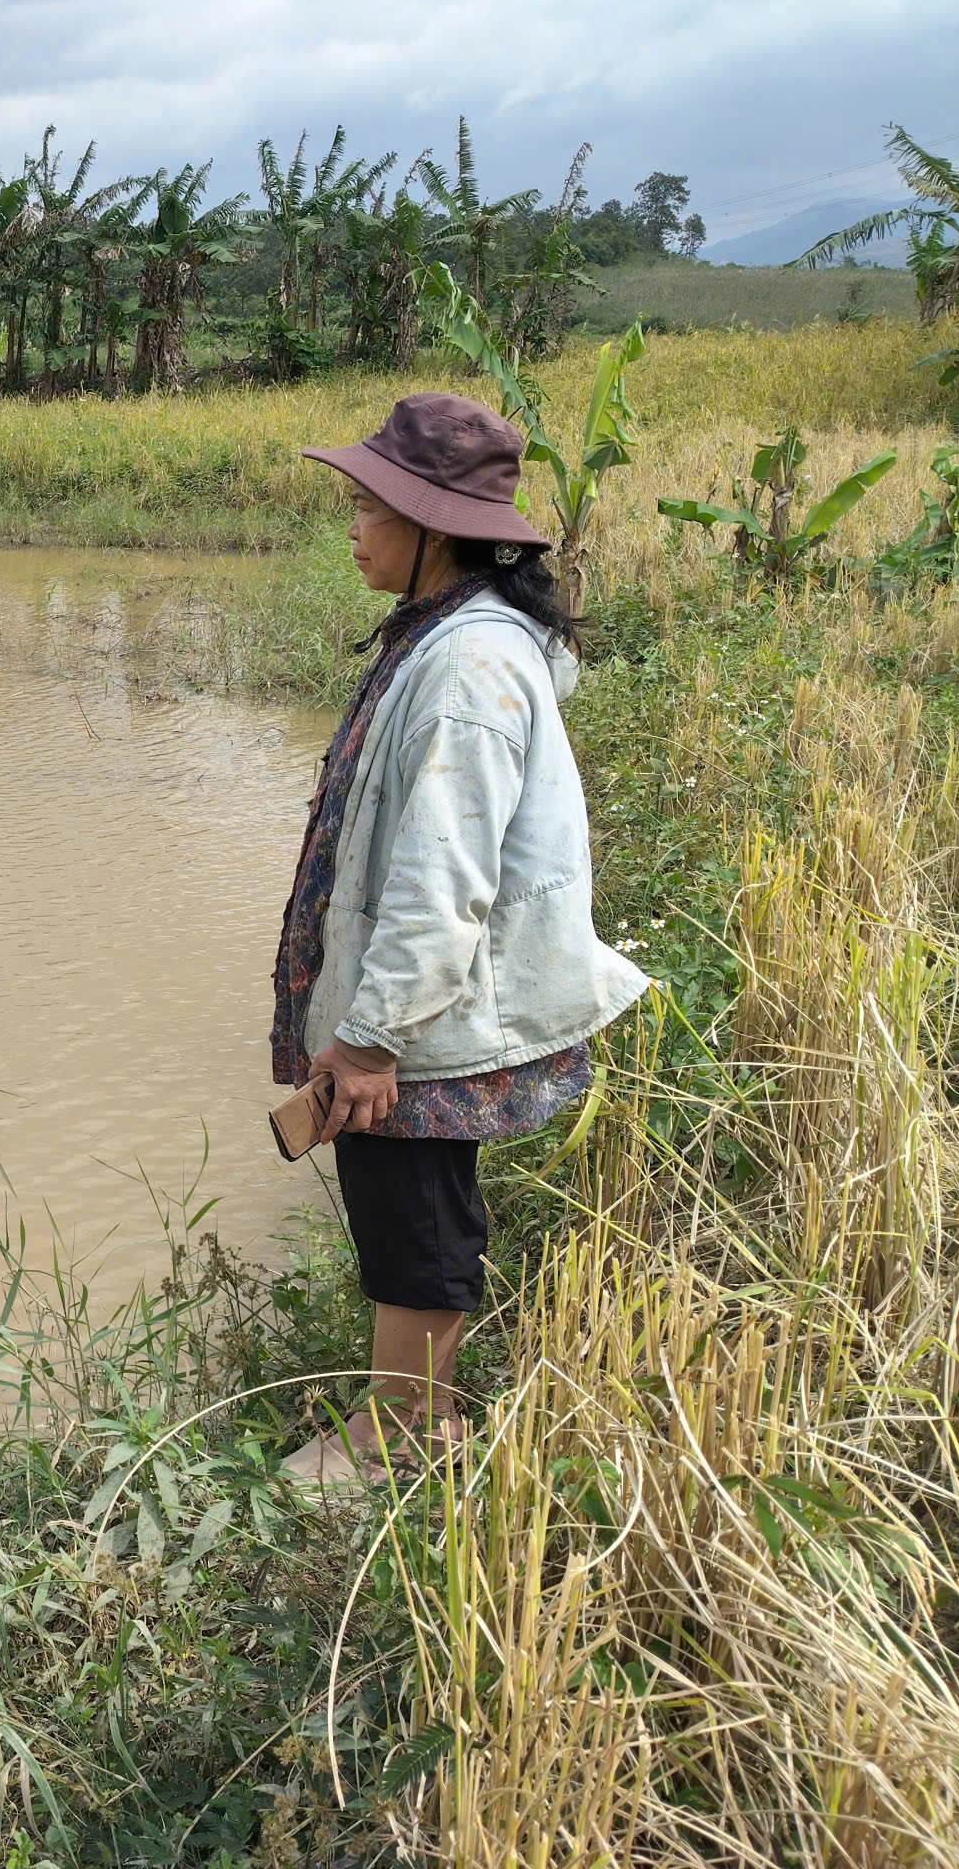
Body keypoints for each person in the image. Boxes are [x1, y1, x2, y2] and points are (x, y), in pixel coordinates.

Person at [273, 392, 649, 1483]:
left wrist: (377, 1035)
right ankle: (400, 1412)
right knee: (400, 1208)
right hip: (423, 997)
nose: (350, 528)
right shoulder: (445, 637)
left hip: (432, 1005)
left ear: (432, 524)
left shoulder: (466, 670)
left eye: (364, 507)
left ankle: (411, 1436)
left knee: (420, 1218)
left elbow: (443, 877)